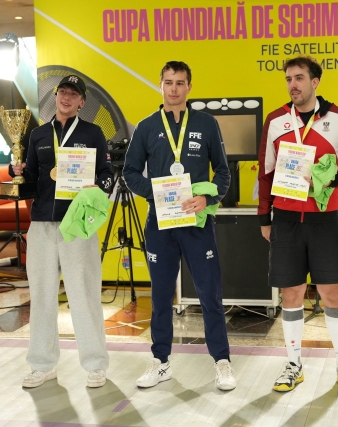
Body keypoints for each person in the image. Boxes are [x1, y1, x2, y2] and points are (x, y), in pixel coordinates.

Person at [123, 61, 236, 391]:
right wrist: (155, 194)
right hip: (160, 223)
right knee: (160, 296)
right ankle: (160, 362)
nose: (174, 88)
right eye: (169, 82)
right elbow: (130, 173)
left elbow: (223, 172)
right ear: (160, 84)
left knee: (210, 294)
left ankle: (222, 361)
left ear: (189, 87)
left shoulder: (207, 124)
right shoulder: (146, 127)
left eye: (180, 82)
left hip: (197, 223)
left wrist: (207, 199)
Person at [258, 56, 338, 393]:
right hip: (286, 219)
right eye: (289, 79)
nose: (293, 85)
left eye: (299, 78)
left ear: (315, 82)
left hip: (322, 219)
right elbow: (266, 172)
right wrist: (264, 216)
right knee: (291, 293)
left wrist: (333, 179)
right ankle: (293, 364)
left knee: (331, 293)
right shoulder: (276, 120)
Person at [11, 74, 113, 388]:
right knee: (42, 297)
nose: (66, 98)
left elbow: (107, 173)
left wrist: (98, 186)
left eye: (73, 94)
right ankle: (42, 365)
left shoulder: (93, 133)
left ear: (82, 102)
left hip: (78, 224)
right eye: (62, 92)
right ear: (56, 96)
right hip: (42, 224)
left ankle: (95, 364)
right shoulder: (38, 134)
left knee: (84, 296)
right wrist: (16, 172)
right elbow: (30, 177)